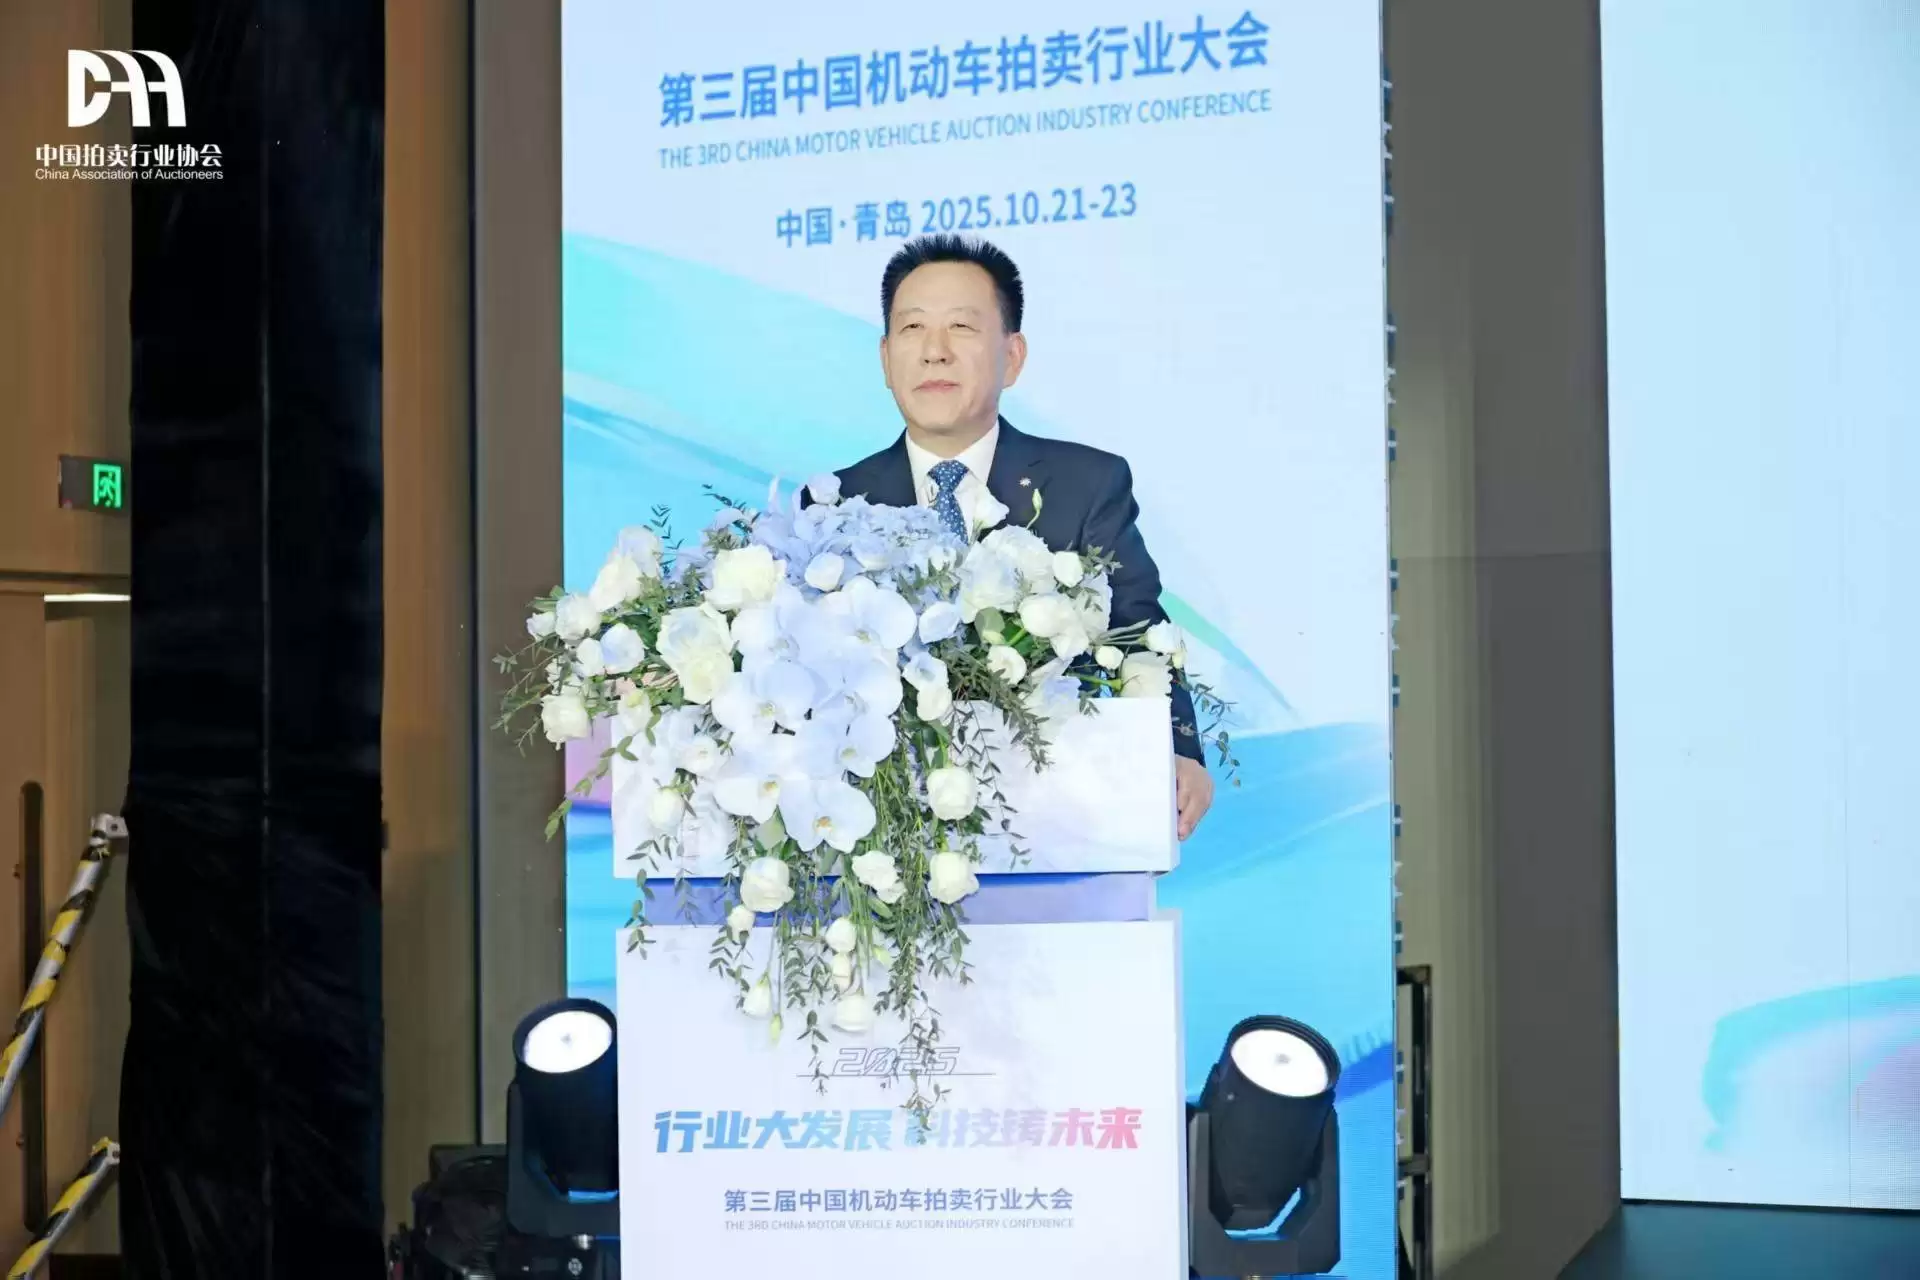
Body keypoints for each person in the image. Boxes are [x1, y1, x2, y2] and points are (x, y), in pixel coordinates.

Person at [833, 233, 1214, 840]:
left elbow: (1138, 626)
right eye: (912, 328)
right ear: (885, 358)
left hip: (1056, 811)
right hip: (886, 828)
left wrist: (1179, 748)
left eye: (961, 327)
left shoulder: (1087, 483)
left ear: (1012, 356)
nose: (934, 352)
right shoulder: (835, 503)